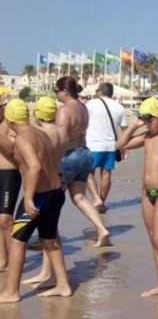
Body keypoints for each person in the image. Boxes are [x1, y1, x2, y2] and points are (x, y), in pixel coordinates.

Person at [0, 99, 71, 302]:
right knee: (49, 240)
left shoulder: (23, 139)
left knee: (17, 241)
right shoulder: (39, 133)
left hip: (39, 197)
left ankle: (11, 292)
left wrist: (29, 197)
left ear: (9, 120)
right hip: (56, 193)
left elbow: (35, 167)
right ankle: (63, 285)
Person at [117, 98, 158, 304]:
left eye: (149, 119)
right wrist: (133, 126)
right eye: (143, 119)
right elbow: (120, 145)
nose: (146, 124)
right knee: (153, 239)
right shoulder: (146, 136)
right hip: (147, 193)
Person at [54, 76, 111, 247]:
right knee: (79, 197)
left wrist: (52, 159)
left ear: (65, 91)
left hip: (68, 156)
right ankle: (102, 229)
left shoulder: (64, 110)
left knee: (52, 199)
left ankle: (49, 238)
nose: (56, 94)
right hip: (84, 154)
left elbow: (60, 139)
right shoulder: (83, 107)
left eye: (57, 91)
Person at [21, 96, 69, 287]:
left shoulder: (40, 133)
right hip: (58, 180)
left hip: (44, 186)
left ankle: (50, 274)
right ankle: (47, 272)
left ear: (37, 114)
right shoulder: (62, 131)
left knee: (48, 234)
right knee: (51, 231)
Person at [85, 83, 127, 213]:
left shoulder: (90, 104)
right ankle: (101, 202)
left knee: (87, 172)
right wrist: (123, 147)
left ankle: (96, 198)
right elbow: (124, 129)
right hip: (111, 145)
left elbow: (82, 121)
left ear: (99, 91)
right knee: (106, 173)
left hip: (92, 144)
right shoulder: (119, 107)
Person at [0, 87, 20, 272]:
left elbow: (15, 152)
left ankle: (14, 259)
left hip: (9, 174)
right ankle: (2, 258)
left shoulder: (11, 124)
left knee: (5, 219)